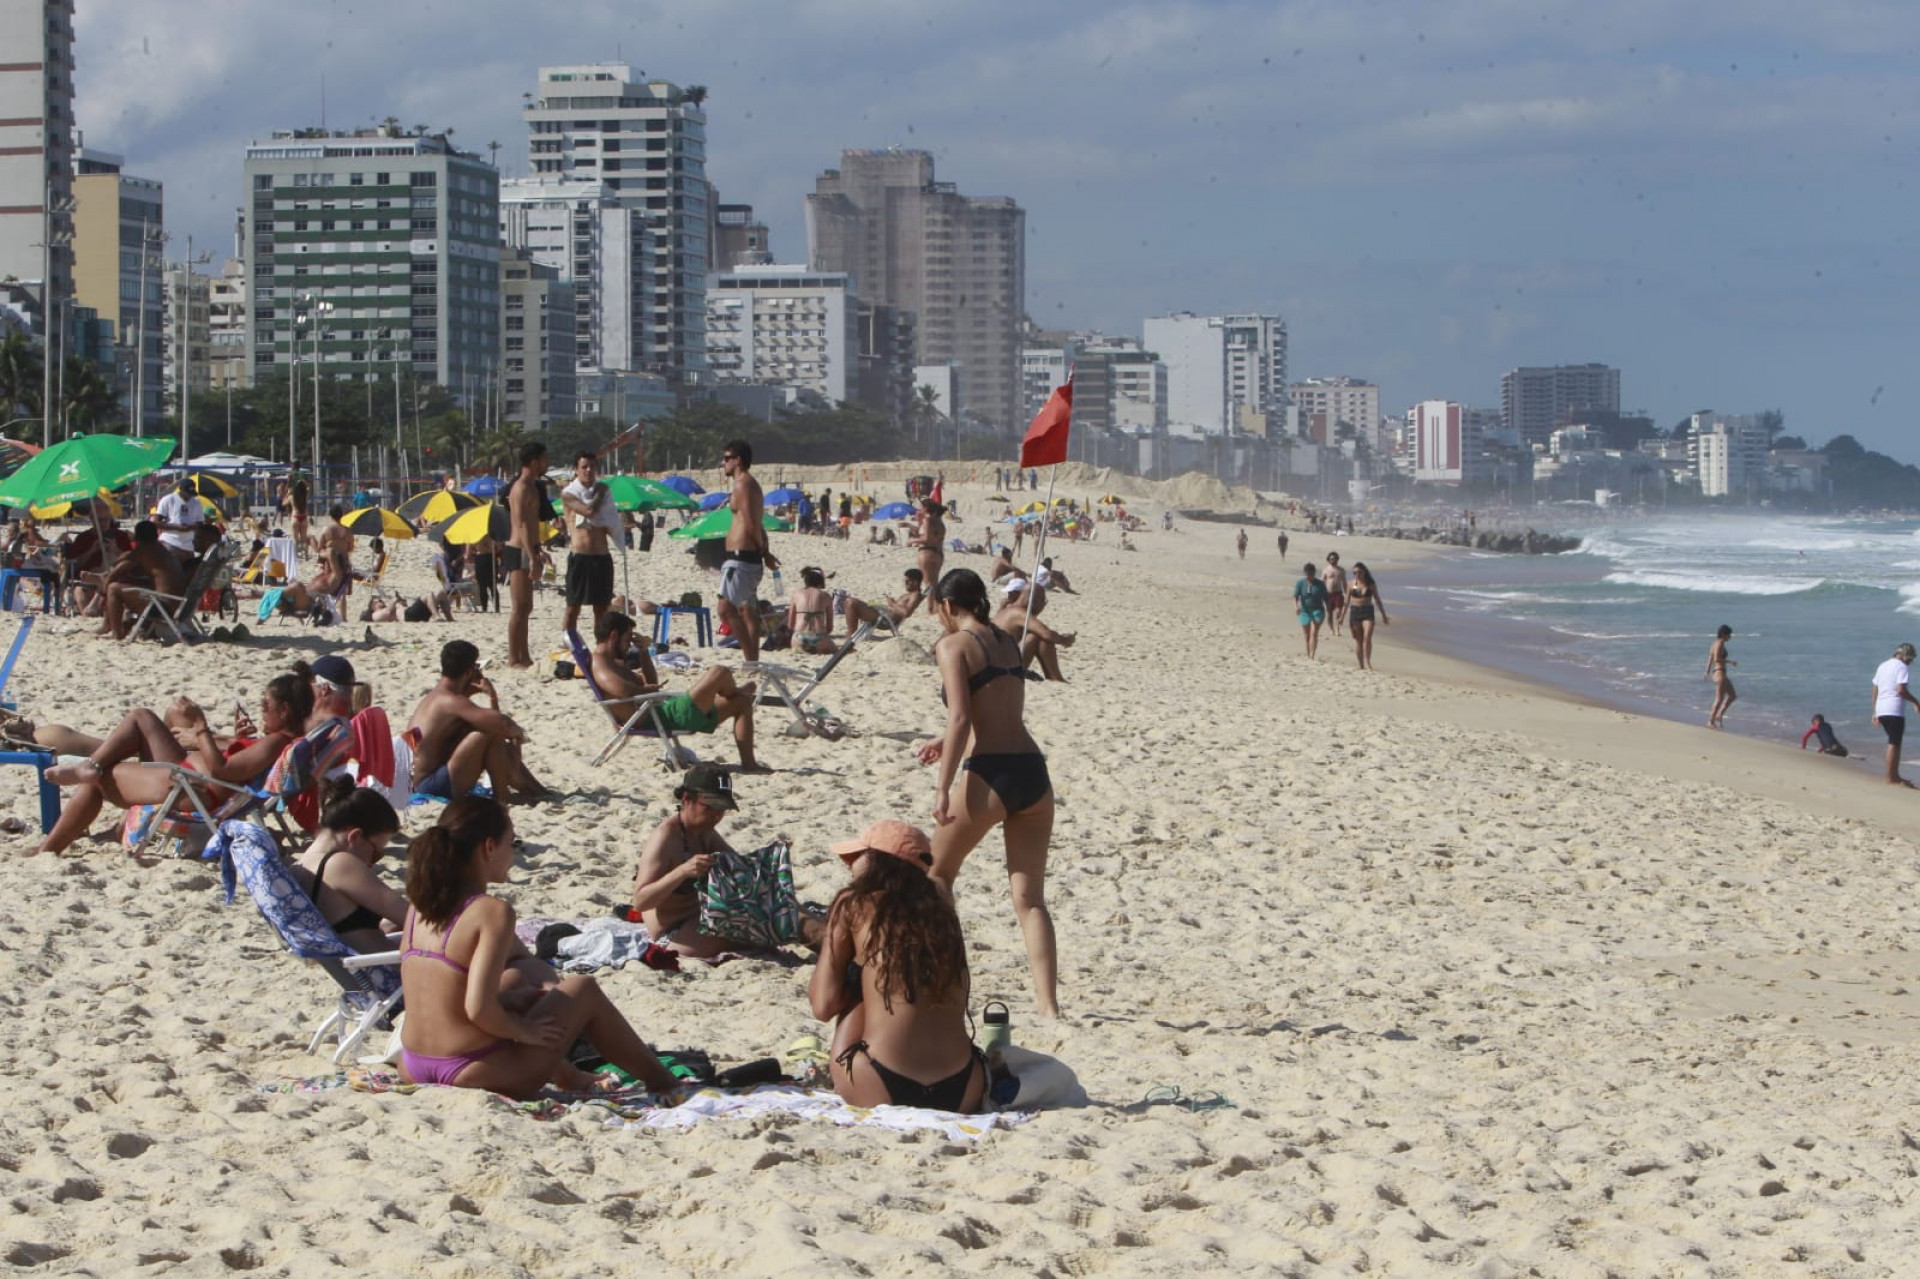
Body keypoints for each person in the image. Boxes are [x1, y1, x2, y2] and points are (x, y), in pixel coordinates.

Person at [396, 796, 679, 1097]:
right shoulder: (491, 911)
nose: (512, 854)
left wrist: (512, 1003)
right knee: (583, 988)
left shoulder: (419, 907)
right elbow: (478, 1010)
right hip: (468, 1069)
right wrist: (523, 1031)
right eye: (512, 844)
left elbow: (445, 992)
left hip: (412, 1064)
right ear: (489, 847)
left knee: (516, 979)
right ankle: (663, 1081)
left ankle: (569, 1075)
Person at [916, 568, 1058, 1018]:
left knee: (937, 876)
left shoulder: (953, 645)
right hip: (1031, 772)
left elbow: (961, 717)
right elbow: (999, 707)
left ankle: (948, 987)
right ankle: (1049, 1006)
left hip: (990, 772)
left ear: (946, 605)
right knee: (1030, 900)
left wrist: (942, 788)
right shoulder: (1006, 641)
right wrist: (946, 740)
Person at [809, 819, 986, 1113]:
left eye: (858, 856)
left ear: (876, 860)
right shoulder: (944, 912)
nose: (849, 864)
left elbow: (823, 1005)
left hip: (878, 1081)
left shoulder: (853, 902)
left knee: (860, 986)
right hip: (964, 1088)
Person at [35, 674, 311, 855]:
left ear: (284, 710)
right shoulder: (280, 741)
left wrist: (201, 725)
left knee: (97, 781)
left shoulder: (276, 742)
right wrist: (238, 740)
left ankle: (48, 849)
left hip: (194, 788)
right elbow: (238, 767)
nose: (261, 711)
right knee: (142, 717)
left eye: (265, 705)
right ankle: (91, 765)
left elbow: (222, 771)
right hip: (190, 775)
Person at [588, 612, 765, 770]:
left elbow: (651, 682)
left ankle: (750, 764)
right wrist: (643, 690)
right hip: (663, 717)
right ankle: (735, 691)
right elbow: (622, 690)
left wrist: (643, 653)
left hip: (663, 711)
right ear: (613, 635)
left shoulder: (614, 662)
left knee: (741, 703)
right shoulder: (600, 663)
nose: (628, 646)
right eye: (627, 639)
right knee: (719, 672)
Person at [406, 639, 548, 803]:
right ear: (468, 672)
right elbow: (502, 724)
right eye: (475, 667)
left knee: (490, 733)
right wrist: (518, 734)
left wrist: (477, 695)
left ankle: (532, 789)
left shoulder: (437, 697)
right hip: (431, 785)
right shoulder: (450, 701)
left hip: (423, 781)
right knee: (489, 732)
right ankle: (504, 796)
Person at [291, 778, 409, 954]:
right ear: (355, 836)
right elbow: (412, 918)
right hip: (386, 965)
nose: (370, 864)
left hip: (354, 964)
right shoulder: (339, 864)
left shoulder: (299, 867)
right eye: (376, 854)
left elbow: (343, 923)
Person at [716, 439, 777, 663]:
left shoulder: (743, 484)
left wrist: (764, 552)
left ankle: (750, 659)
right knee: (747, 611)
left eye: (726, 458)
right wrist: (765, 550)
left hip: (741, 558)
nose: (723, 463)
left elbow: (751, 524)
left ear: (737, 460)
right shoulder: (747, 484)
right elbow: (757, 523)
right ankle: (753, 662)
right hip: (745, 557)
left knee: (725, 609)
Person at [559, 451, 618, 637]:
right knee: (572, 607)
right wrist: (600, 492)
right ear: (576, 470)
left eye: (592, 466)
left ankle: (601, 645)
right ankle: (569, 645)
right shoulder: (569, 493)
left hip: (601, 556)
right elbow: (588, 511)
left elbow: (612, 521)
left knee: (601, 608)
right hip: (580, 557)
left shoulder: (604, 493)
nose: (589, 470)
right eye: (584, 467)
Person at [96, 520, 187, 640]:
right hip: (180, 604)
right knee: (127, 585)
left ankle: (116, 633)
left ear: (137, 537)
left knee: (113, 588)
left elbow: (115, 573)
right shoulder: (162, 550)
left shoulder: (144, 550)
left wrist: (102, 595)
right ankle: (125, 626)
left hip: (164, 607)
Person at [505, 441, 550, 668]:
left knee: (526, 607)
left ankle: (524, 654)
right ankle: (514, 657)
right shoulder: (521, 487)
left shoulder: (533, 486)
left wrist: (538, 550)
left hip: (529, 547)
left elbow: (532, 524)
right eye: (544, 459)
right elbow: (521, 524)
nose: (547, 463)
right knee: (519, 608)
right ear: (534, 462)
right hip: (518, 549)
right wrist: (532, 557)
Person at [996, 580, 1074, 682]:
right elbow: (1047, 634)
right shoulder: (1019, 613)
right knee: (1038, 637)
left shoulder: (1008, 609)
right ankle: (1056, 678)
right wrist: (1064, 640)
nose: (1043, 605)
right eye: (1043, 601)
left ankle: (1055, 678)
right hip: (1003, 667)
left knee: (1037, 635)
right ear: (1034, 599)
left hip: (996, 662)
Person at [1871, 642, 1920, 786]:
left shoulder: (1883, 666)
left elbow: (1875, 689)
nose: (1910, 662)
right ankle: (1890, 777)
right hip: (1894, 710)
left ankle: (1894, 775)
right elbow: (1900, 690)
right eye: (1910, 659)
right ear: (1905, 656)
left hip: (1882, 709)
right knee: (1894, 743)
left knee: (1894, 742)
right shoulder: (1901, 667)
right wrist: (1916, 702)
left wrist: (1875, 711)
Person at [843, 568, 925, 637]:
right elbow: (898, 608)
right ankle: (851, 633)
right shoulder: (909, 594)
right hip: (883, 613)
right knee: (850, 601)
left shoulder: (915, 595)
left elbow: (906, 613)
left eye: (908, 581)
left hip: (886, 620)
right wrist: (891, 603)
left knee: (851, 602)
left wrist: (892, 603)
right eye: (905, 581)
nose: (905, 584)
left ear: (916, 582)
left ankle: (851, 635)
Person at [1346, 562, 1389, 670]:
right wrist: (1341, 617)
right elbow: (1346, 601)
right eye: (1355, 573)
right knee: (1359, 640)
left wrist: (1384, 615)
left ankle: (1368, 662)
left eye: (1359, 572)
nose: (1357, 574)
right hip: (1355, 612)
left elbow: (1377, 599)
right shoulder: (1351, 584)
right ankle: (1361, 665)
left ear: (1364, 572)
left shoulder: (1371, 584)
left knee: (1367, 637)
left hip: (1367, 612)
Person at [787, 567, 836, 655]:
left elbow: (791, 625)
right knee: (835, 648)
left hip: (799, 637)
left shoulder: (796, 595)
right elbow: (829, 628)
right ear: (820, 581)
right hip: (820, 638)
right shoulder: (826, 596)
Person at [155, 477, 205, 562]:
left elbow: (200, 522)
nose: (189, 496)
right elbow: (157, 522)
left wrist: (191, 527)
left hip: (188, 545)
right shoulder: (168, 499)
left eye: (191, 493)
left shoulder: (196, 502)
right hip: (170, 541)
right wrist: (177, 527)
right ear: (181, 490)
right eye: (187, 493)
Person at [1293, 561, 1328, 659]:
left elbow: (1326, 598)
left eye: (1311, 573)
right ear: (1305, 572)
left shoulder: (1320, 584)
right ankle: (1308, 654)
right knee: (1307, 635)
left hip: (1318, 611)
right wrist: (1296, 607)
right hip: (1304, 611)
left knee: (1314, 632)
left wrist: (1328, 609)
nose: (1309, 575)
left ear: (1314, 572)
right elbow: (1295, 596)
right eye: (1307, 573)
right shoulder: (1300, 583)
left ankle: (1312, 656)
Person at [909, 499, 947, 589]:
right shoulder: (939, 521)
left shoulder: (927, 520)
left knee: (928, 584)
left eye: (921, 507)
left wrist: (912, 540)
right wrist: (909, 525)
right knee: (934, 584)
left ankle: (930, 599)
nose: (919, 509)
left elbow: (927, 539)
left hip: (926, 553)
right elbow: (932, 536)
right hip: (938, 553)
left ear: (925, 508)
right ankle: (934, 599)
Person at [1705, 625, 1736, 729]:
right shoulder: (1719, 644)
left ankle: (1719, 715)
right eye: (1729, 635)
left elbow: (1710, 659)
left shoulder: (1714, 644)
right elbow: (1717, 659)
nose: (1730, 637)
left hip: (1718, 673)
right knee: (1719, 699)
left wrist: (1707, 672)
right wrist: (1730, 661)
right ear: (1723, 634)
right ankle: (1711, 721)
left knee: (1732, 695)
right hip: (1720, 673)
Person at [1323, 552, 1349, 638]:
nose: (1332, 560)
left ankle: (1338, 629)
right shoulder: (1326, 570)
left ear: (1337, 559)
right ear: (1328, 560)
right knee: (1329, 614)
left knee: (1339, 612)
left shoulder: (1341, 570)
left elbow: (1344, 582)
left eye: (1334, 559)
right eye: (1331, 559)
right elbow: (1322, 582)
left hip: (1338, 593)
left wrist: (1346, 594)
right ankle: (1331, 629)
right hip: (1328, 594)